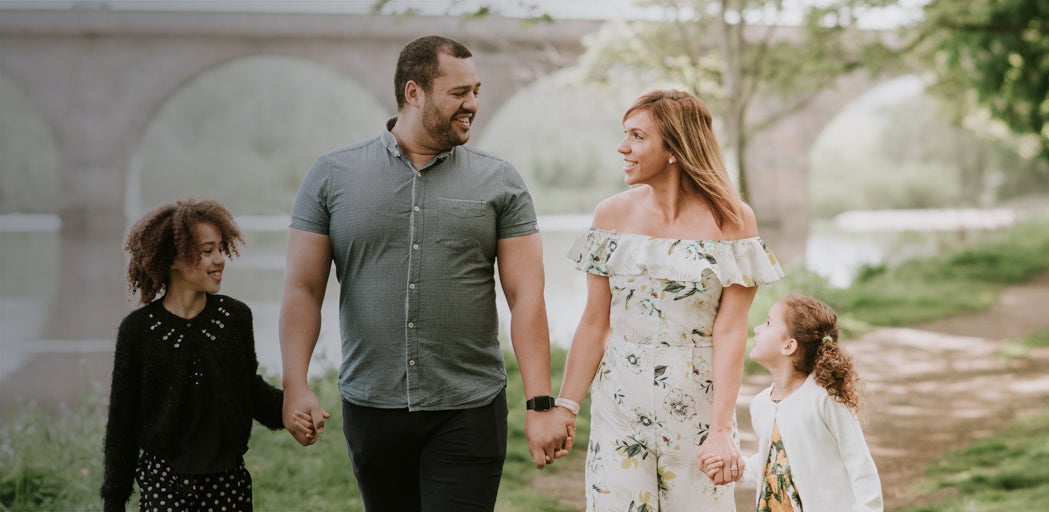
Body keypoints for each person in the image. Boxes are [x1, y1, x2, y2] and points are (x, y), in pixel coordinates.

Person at [278, 34, 568, 511]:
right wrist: (296, 385)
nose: (472, 104)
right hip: (372, 407)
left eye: (476, 91)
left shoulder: (501, 180)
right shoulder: (331, 176)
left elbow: (527, 297)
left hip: (469, 409)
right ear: (414, 93)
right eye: (459, 93)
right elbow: (303, 289)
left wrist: (539, 404)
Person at [554, 89, 785, 511]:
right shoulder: (610, 216)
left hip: (698, 415)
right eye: (625, 134)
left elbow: (730, 330)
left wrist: (720, 431)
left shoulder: (733, 221)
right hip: (618, 410)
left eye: (638, 137)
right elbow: (594, 322)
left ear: (675, 148)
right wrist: (565, 407)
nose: (623, 147)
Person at [100, 199, 313, 511]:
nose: (219, 260)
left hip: (227, 482)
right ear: (171, 258)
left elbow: (248, 388)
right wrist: (114, 500)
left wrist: (292, 410)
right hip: (164, 484)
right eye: (206, 251)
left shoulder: (235, 317)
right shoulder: (138, 331)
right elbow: (123, 421)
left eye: (220, 249)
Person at [705, 294, 883, 511]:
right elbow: (772, 462)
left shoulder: (824, 399)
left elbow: (860, 465)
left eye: (768, 323)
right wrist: (733, 468)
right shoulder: (761, 404)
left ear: (789, 346)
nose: (757, 329)